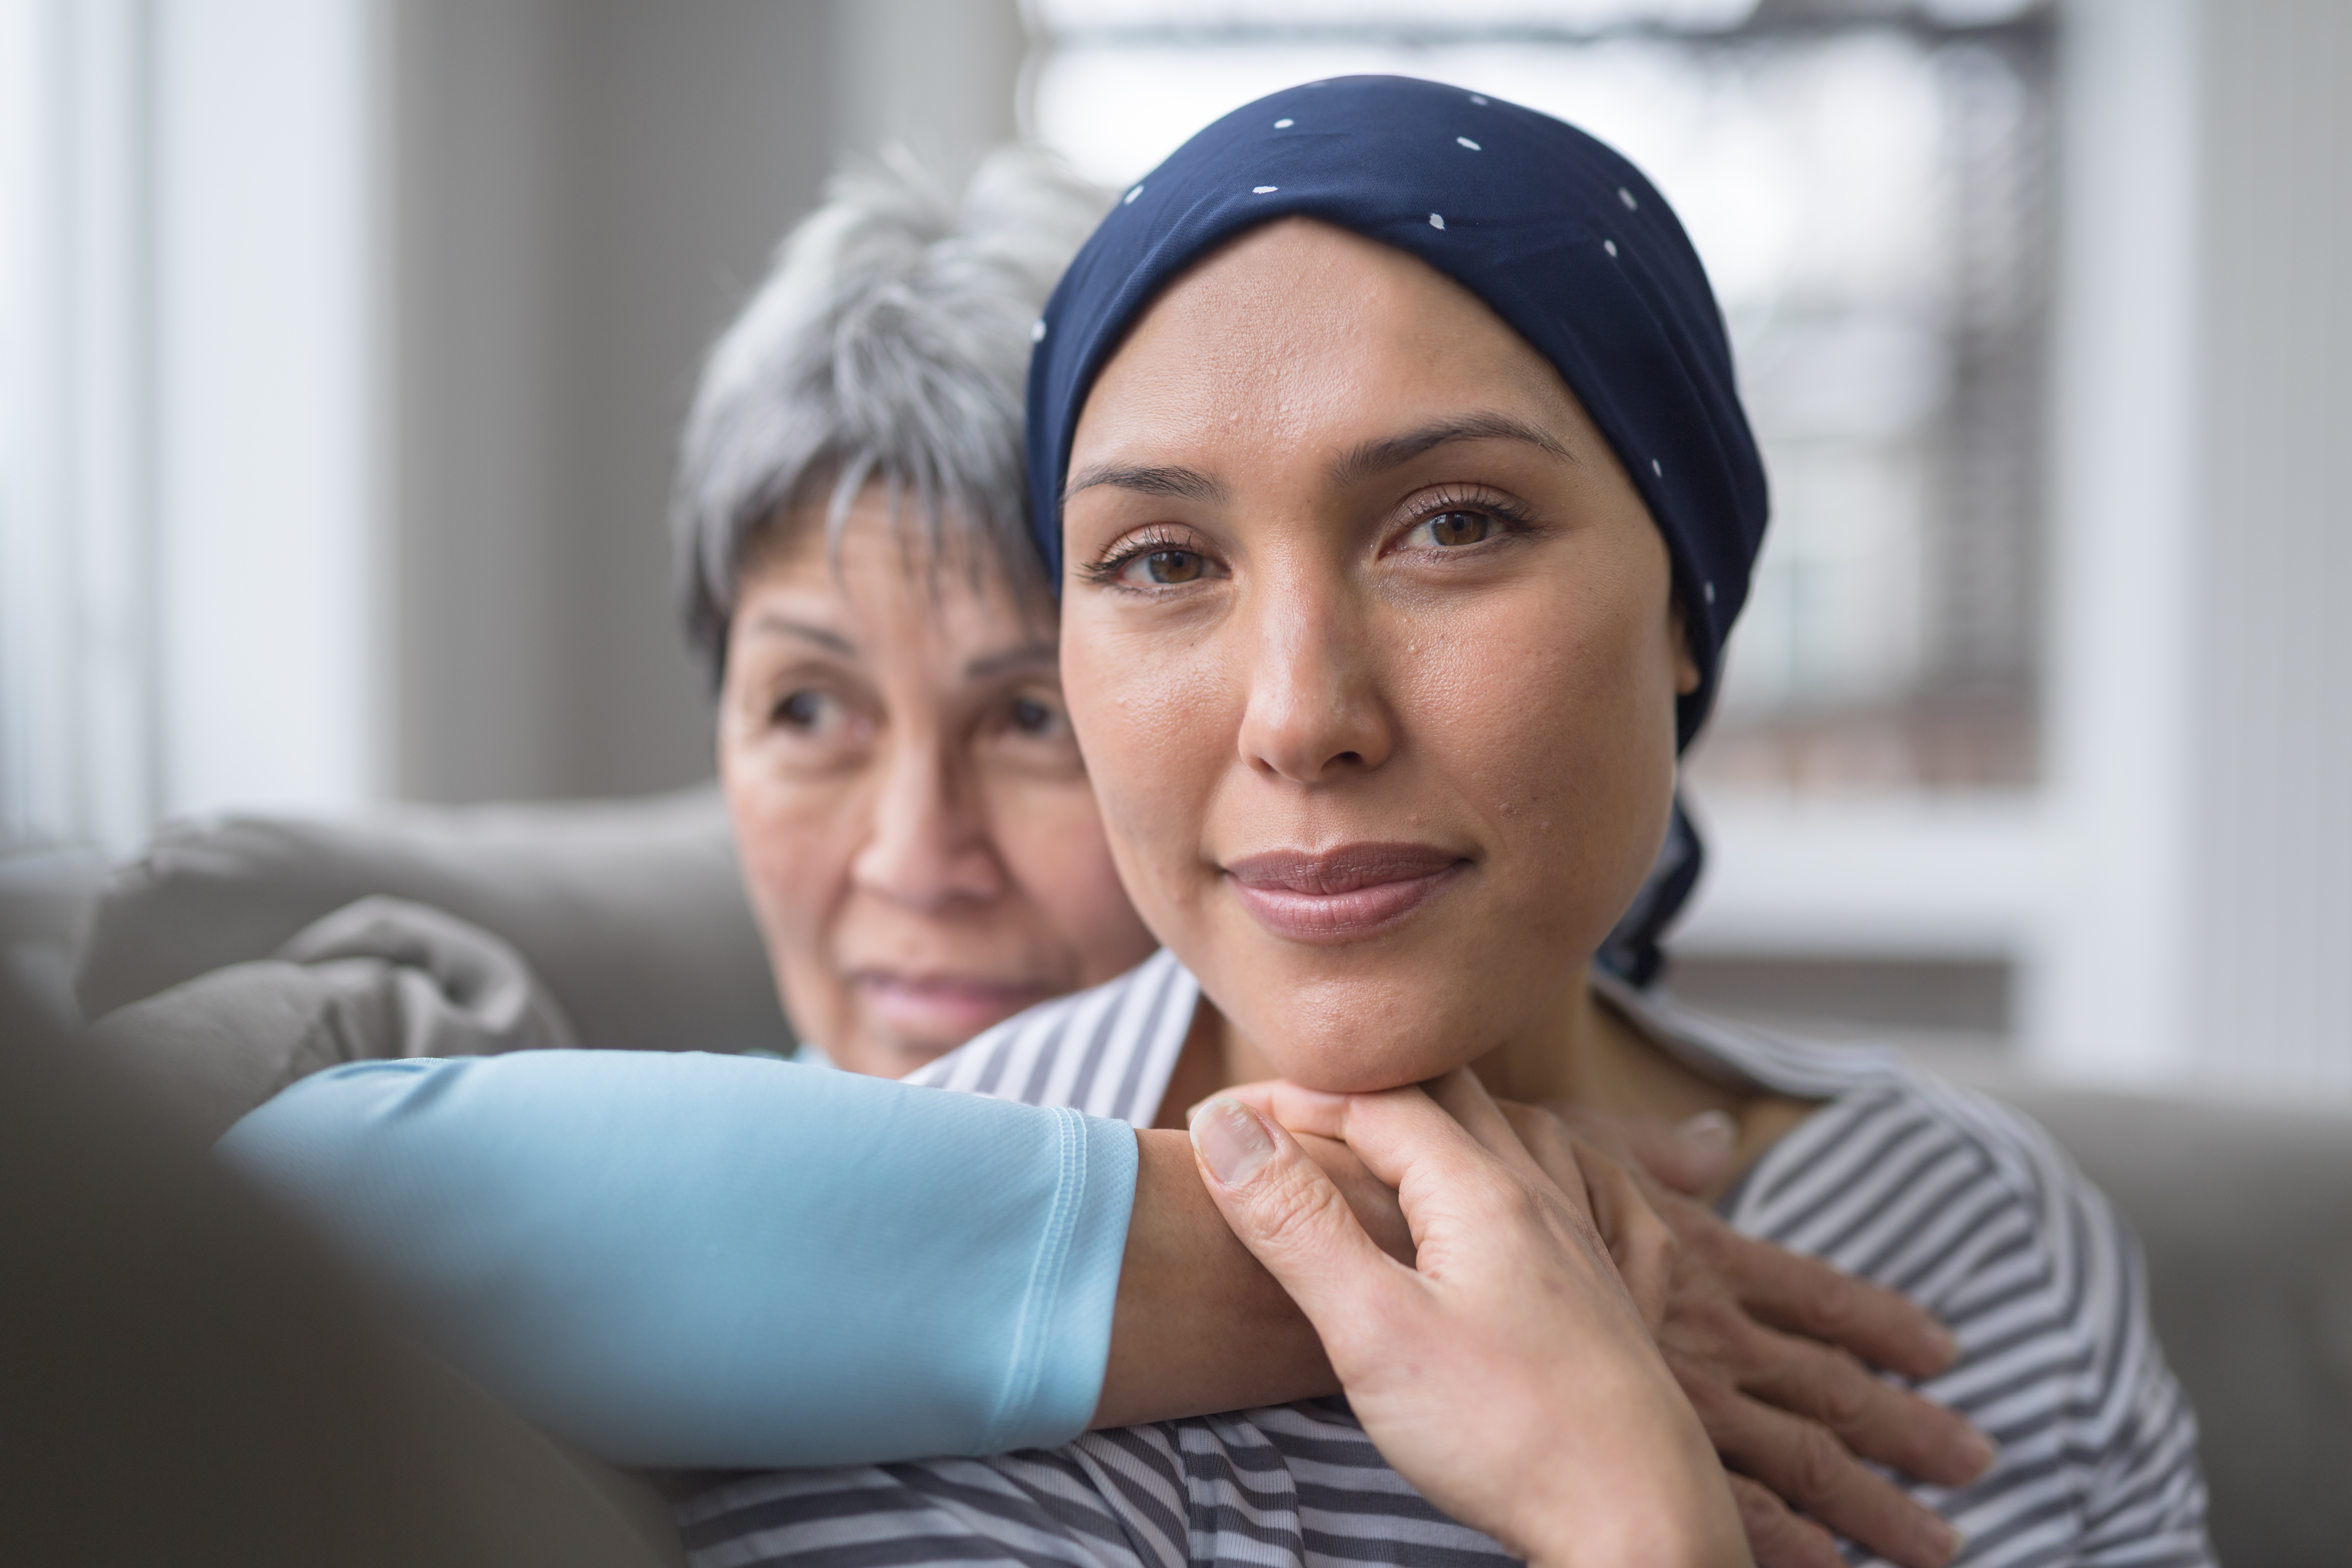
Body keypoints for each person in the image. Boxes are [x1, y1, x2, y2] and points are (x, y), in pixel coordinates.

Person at [219, 130, 2071, 1568]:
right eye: (805, 707)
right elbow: (248, 1224)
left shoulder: (1973, 1239)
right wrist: (1368, 1263)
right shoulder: (735, 1259)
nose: (913, 853)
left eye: (1023, 710)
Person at [648, 77, 2211, 1568]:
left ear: (1687, 606)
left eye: (1453, 526)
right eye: (1163, 561)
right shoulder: (893, 1307)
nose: (1298, 716)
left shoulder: (1984, 1235)